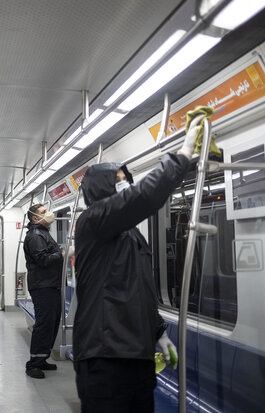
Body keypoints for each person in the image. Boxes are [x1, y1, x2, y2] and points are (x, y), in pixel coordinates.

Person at [72, 116, 204, 412]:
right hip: (104, 356)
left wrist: (159, 332)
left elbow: (138, 288)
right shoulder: (92, 221)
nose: (126, 185)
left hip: (137, 354)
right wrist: (183, 154)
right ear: (100, 191)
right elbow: (143, 197)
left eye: (126, 180)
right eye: (118, 182)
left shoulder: (131, 235)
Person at [23, 204, 64, 379]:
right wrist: (62, 255)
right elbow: (42, 259)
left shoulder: (44, 233)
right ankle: (33, 364)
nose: (48, 214)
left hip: (50, 283)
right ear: (34, 218)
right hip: (42, 285)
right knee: (44, 324)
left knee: (52, 323)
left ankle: (42, 358)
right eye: (43, 212)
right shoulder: (35, 235)